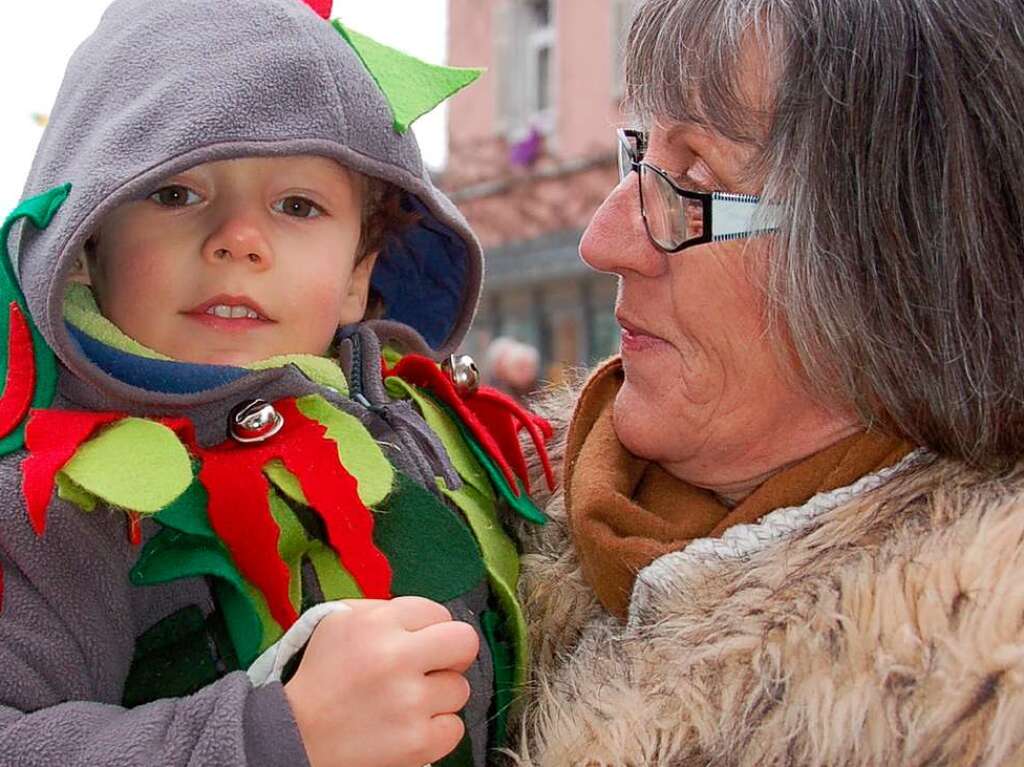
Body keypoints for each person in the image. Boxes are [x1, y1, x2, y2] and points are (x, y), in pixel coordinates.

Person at [0, 1, 551, 766]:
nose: (239, 240)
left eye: (298, 205)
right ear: (88, 241)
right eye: (176, 192)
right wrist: (270, 736)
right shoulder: (51, 505)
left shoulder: (439, 428)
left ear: (360, 273)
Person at [506, 0, 1024, 764]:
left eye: (694, 180)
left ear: (897, 263)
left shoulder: (967, 697)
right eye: (641, 156)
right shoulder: (482, 528)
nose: (604, 240)